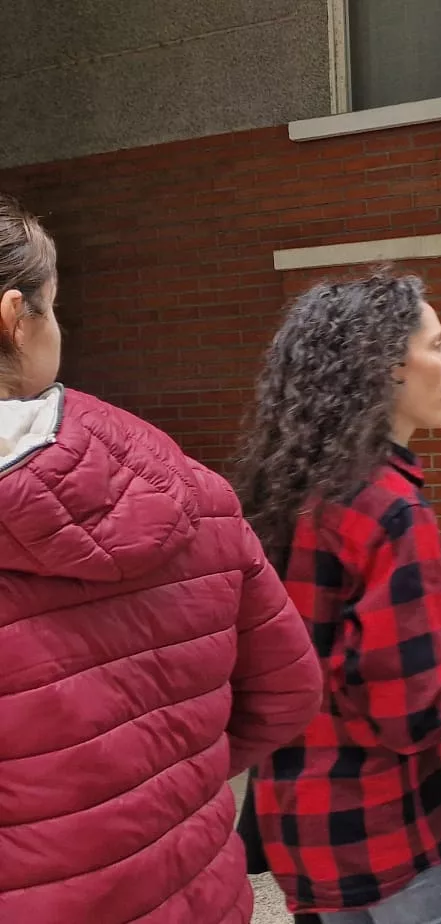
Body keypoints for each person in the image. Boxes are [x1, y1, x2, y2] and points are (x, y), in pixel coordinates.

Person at [0, 197, 322, 923]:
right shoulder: (195, 495)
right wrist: (168, 773)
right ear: (16, 317)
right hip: (195, 891)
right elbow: (287, 689)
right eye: (55, 310)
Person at [234, 273, 441, 923]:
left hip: (306, 835)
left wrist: (414, 650)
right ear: (386, 367)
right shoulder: (391, 511)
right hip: (403, 837)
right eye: (437, 346)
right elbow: (408, 715)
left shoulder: (284, 497)